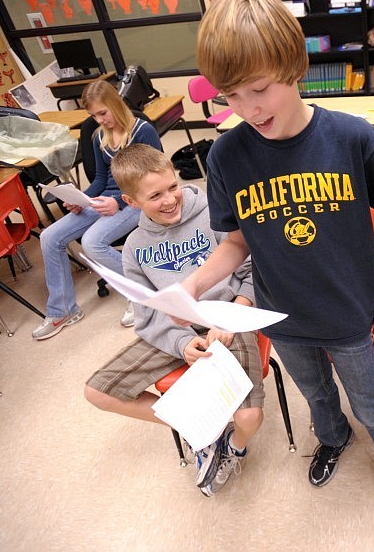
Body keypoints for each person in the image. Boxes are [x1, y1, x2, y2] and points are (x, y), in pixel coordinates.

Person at [184, 0, 374, 502]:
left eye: (259, 89)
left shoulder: (354, 138)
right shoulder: (226, 156)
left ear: (293, 65)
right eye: (230, 96)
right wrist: (193, 284)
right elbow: (237, 242)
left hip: (350, 309)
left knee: (369, 398)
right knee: (315, 395)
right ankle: (332, 439)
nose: (248, 108)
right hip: (279, 313)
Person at [84, 144, 264, 497]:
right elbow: (147, 313)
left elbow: (253, 270)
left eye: (172, 187)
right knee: (97, 391)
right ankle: (203, 431)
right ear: (131, 201)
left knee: (248, 418)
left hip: (228, 317)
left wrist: (231, 316)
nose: (169, 200)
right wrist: (182, 345)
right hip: (174, 331)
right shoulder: (135, 246)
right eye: (155, 196)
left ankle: (233, 447)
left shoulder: (214, 214)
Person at [33, 80, 162, 340]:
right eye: (93, 116)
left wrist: (121, 203)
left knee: (93, 242)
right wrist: (83, 199)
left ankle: (143, 296)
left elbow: (157, 178)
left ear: (115, 104)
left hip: (139, 198)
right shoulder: (98, 136)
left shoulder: (142, 131)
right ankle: (63, 309)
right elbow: (101, 180)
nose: (99, 120)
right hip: (109, 198)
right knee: (50, 237)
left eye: (103, 113)